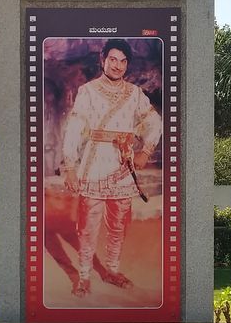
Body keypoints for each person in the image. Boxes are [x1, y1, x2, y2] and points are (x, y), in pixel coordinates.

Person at [60, 38, 163, 298]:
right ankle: (84, 277)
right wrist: (70, 167)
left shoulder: (135, 94)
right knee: (87, 226)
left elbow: (154, 122)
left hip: (122, 168)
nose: (118, 65)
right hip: (94, 164)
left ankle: (112, 271)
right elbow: (74, 128)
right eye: (113, 59)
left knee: (118, 225)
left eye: (123, 61)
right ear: (103, 60)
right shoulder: (88, 91)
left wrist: (146, 151)